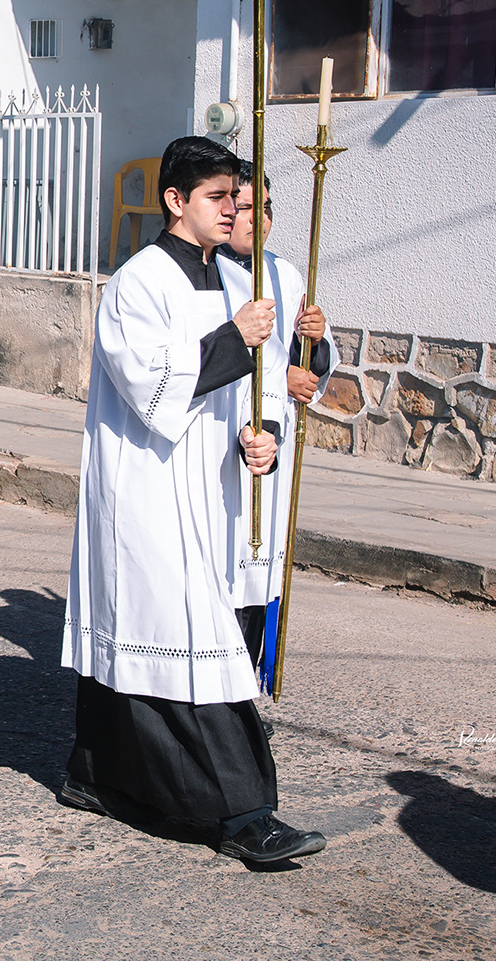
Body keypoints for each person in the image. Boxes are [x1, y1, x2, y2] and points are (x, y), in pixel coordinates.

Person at [59, 135, 325, 867]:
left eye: (236, 197)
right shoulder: (138, 282)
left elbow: (263, 386)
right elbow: (151, 387)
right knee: (190, 637)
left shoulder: (239, 282)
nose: (232, 209)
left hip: (216, 486)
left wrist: (264, 434)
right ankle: (244, 814)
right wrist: (233, 339)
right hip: (148, 485)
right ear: (176, 200)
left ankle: (94, 771)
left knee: (145, 632)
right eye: (218, 197)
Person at [218, 164, 336, 682]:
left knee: (261, 566)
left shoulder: (285, 274)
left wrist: (314, 346)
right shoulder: (208, 274)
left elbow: (304, 361)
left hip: (272, 444)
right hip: (223, 445)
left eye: (265, 208)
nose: (258, 219)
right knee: (221, 565)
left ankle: (245, 687)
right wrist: (276, 376)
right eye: (246, 207)